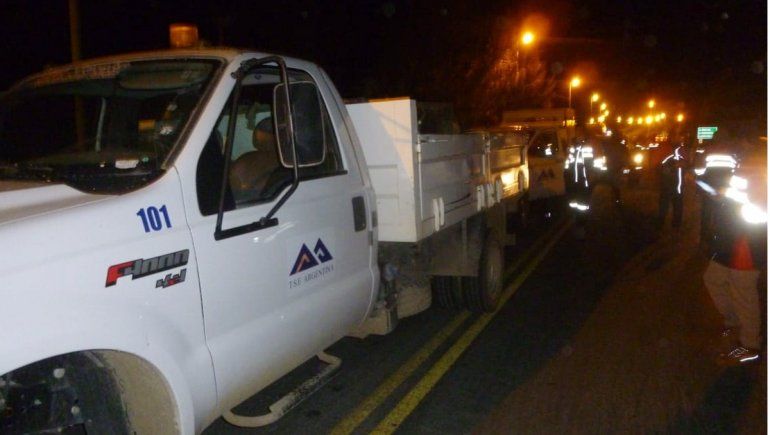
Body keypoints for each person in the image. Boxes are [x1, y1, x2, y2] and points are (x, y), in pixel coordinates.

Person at [703, 144, 767, 365]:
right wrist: (722, 196)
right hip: (729, 241)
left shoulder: (758, 173)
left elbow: (757, 213)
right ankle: (734, 321)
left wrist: (730, 200)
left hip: (745, 245)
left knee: (744, 296)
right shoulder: (744, 170)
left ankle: (750, 345)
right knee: (713, 279)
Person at [656, 141, 686, 229]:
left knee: (677, 206)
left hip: (678, 188)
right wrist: (673, 167)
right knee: (665, 206)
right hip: (668, 187)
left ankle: (676, 225)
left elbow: (685, 170)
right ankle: (661, 223)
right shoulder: (668, 159)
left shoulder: (681, 159)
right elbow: (662, 169)